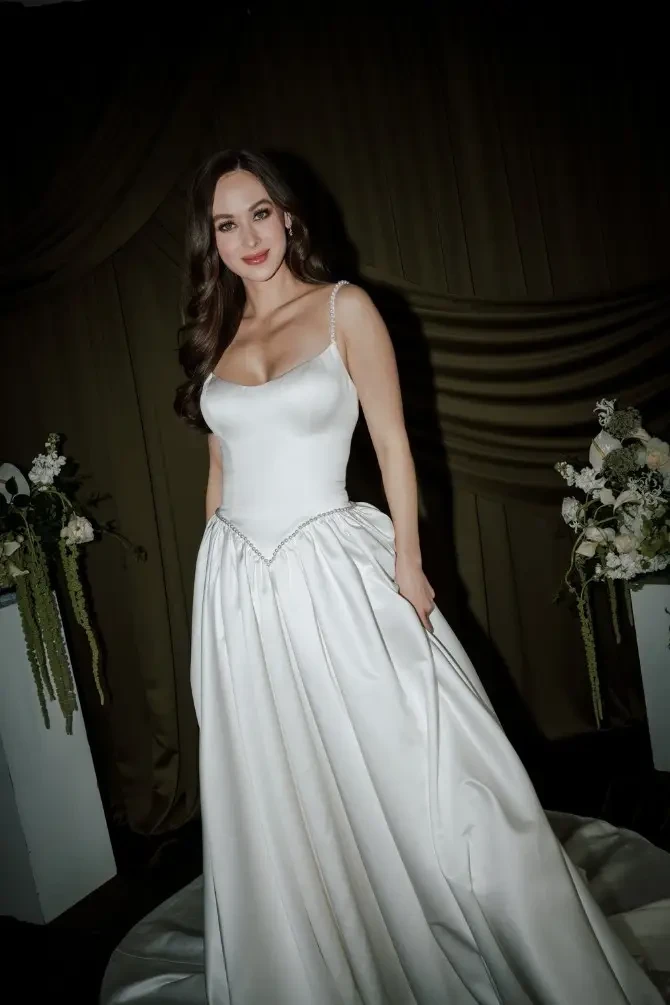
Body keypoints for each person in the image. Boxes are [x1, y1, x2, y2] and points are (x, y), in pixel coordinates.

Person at [174, 149, 663, 1004]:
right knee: (277, 789)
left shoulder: (343, 308)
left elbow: (394, 444)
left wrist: (410, 565)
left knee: (423, 778)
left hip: (333, 570)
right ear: (209, 240)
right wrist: (206, 591)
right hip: (238, 591)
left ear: (288, 216)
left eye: (260, 213)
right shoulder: (219, 334)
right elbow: (219, 471)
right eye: (226, 223)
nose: (247, 236)